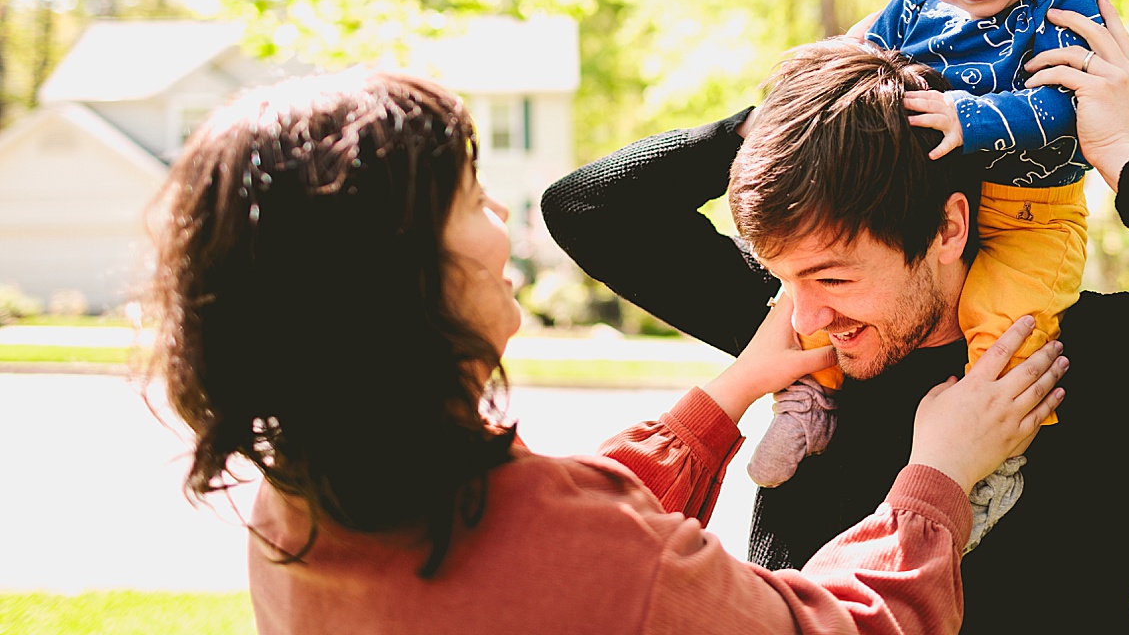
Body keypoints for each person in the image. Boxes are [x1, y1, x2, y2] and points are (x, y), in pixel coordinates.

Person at [141, 68, 1069, 635]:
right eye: (471, 199)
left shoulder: (298, 505)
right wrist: (938, 473)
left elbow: (544, 533)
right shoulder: (580, 550)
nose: (504, 221)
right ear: (400, 277)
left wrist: (734, 389)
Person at [540, 1, 1129, 634]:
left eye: (831, 276)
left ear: (948, 229)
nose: (804, 313)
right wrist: (811, 109)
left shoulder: (1078, 362)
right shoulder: (807, 338)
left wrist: (1127, 158)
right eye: (782, 277)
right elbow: (588, 208)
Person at [749, 0, 1104, 489]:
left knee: (1002, 315)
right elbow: (857, 63)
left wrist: (967, 118)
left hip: (1036, 215)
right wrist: (809, 93)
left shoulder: (1068, 7)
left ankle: (996, 456)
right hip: (931, 213)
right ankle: (808, 399)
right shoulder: (917, 6)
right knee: (804, 298)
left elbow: (1069, 109)